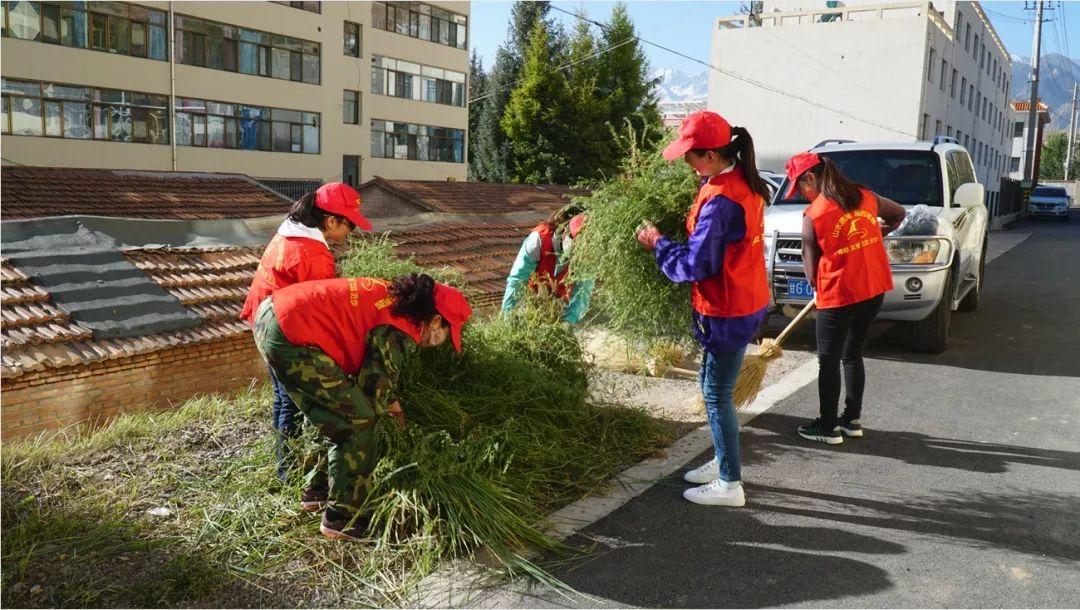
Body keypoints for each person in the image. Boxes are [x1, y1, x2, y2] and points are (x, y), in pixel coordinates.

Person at [252, 274, 472, 540]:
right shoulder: (401, 330)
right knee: (358, 421)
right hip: (291, 331)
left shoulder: (394, 299)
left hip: (272, 315)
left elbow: (376, 379)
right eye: (448, 335)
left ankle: (319, 491)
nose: (444, 343)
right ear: (436, 321)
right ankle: (343, 518)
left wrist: (393, 407)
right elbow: (374, 391)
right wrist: (400, 427)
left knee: (334, 412)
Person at [636, 111, 770, 507]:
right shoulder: (740, 183)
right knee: (712, 388)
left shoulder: (723, 200)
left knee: (717, 393)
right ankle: (722, 460)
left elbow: (695, 264)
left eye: (689, 157)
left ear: (710, 155)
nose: (686, 164)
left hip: (728, 307)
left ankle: (730, 483)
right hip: (741, 298)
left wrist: (658, 242)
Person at [240, 182, 373, 483]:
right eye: (349, 226)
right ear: (331, 222)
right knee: (293, 402)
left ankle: (284, 465)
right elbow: (318, 313)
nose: (350, 233)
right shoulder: (314, 255)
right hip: (280, 331)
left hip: (263, 320)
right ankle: (291, 473)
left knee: (281, 397)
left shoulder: (290, 231)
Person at [784, 151, 906, 444]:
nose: (801, 194)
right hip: (873, 288)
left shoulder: (815, 214)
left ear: (811, 177)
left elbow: (809, 262)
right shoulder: (865, 196)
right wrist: (875, 235)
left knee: (828, 361)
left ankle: (827, 428)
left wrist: (815, 285)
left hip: (839, 293)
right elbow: (899, 213)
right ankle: (852, 420)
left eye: (799, 186)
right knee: (852, 355)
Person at [501, 204, 593, 324]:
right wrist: (508, 318)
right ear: (565, 233)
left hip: (558, 308)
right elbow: (517, 280)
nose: (578, 251)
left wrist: (568, 323)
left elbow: (582, 295)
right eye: (576, 244)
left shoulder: (588, 256)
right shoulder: (538, 241)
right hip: (527, 303)